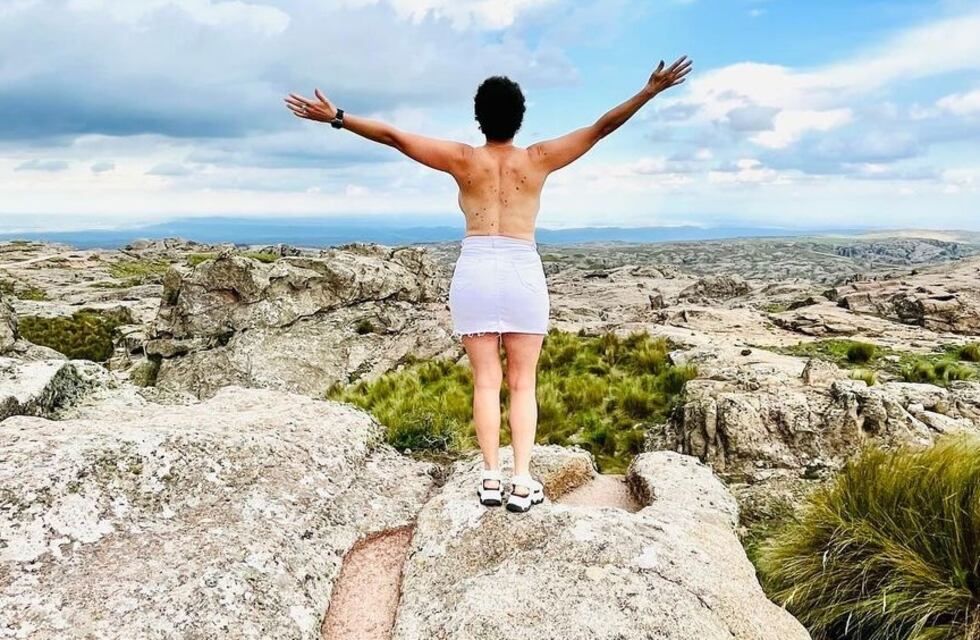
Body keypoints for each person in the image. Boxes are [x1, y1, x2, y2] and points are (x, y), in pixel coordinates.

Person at [284, 55, 693, 512]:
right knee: (523, 383)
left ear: (479, 118)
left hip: (475, 270)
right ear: (520, 118)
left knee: (485, 380)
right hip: (521, 270)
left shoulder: (463, 159)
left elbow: (394, 137)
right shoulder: (538, 159)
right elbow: (601, 128)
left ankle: (490, 479)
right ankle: (522, 482)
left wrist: (338, 117)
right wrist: (649, 91)